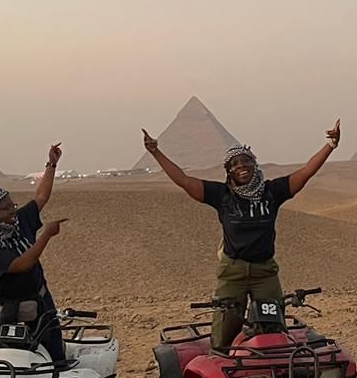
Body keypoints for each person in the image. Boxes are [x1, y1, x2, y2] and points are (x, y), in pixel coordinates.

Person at [144, 120, 340, 352]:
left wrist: (330, 145)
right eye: (235, 164)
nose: (242, 166)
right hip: (232, 273)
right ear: (229, 171)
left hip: (264, 273)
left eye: (246, 161)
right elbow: (184, 181)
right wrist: (156, 152)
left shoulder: (272, 192)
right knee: (225, 332)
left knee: (273, 327)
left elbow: (306, 172)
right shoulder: (222, 196)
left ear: (254, 165)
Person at [0, 142, 69, 362]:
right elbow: (21, 265)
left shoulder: (17, 223)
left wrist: (51, 165)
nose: (13, 210)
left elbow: (40, 197)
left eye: (13, 205)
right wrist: (46, 235)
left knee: (56, 365)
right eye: (7, 208)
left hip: (39, 308)